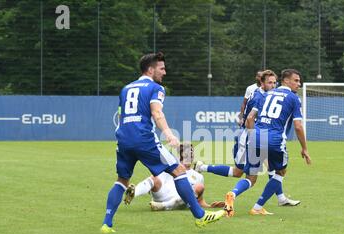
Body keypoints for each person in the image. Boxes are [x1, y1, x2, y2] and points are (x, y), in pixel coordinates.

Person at [101, 52, 226, 233]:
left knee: (122, 180)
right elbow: (157, 113)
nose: (165, 72)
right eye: (162, 68)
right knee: (179, 171)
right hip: (144, 139)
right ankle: (200, 216)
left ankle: (107, 223)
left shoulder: (126, 89)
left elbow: (121, 116)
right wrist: (168, 133)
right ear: (150, 70)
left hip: (123, 139)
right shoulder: (156, 89)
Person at [194, 70, 300, 210]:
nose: (273, 86)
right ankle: (203, 168)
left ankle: (280, 198)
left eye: (274, 83)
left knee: (270, 168)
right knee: (241, 172)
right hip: (250, 137)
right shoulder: (259, 96)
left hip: (258, 136)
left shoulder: (267, 95)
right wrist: (253, 138)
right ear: (261, 83)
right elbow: (250, 118)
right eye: (270, 82)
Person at [224, 69, 311, 216]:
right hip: (275, 140)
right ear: (286, 81)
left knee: (251, 177)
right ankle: (257, 208)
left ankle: (232, 194)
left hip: (256, 137)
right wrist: (304, 148)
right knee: (280, 171)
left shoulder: (267, 94)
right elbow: (298, 126)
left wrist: (252, 137)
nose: (299, 83)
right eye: (296, 80)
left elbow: (250, 118)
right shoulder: (294, 98)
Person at [123, 142, 225, 211]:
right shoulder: (172, 166)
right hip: (163, 196)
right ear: (180, 154)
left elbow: (199, 201)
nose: (190, 155)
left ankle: (164, 206)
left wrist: (210, 206)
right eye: (187, 153)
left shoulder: (198, 176)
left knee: (199, 187)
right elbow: (155, 182)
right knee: (154, 178)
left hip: (180, 201)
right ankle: (134, 192)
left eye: (191, 153)